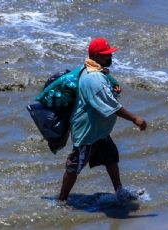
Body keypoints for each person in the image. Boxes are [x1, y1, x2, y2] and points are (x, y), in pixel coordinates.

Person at [58, 37, 147, 201]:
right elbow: (110, 106)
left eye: (110, 54)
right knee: (74, 165)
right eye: (106, 55)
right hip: (88, 131)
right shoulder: (94, 78)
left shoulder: (94, 70)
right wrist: (135, 119)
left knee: (111, 157)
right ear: (96, 56)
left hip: (99, 130)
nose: (110, 57)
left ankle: (119, 192)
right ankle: (61, 200)